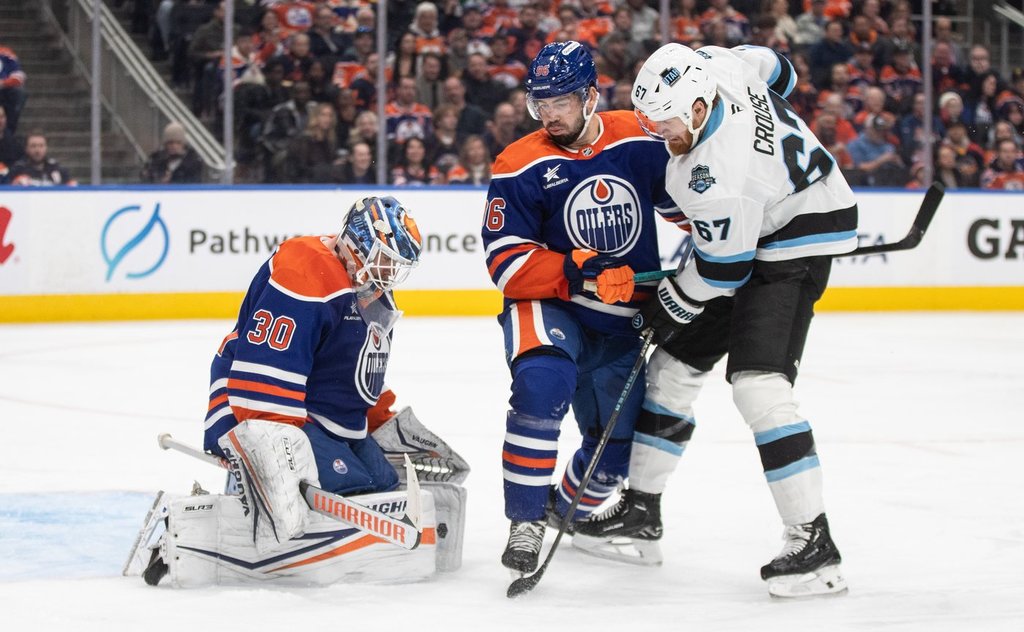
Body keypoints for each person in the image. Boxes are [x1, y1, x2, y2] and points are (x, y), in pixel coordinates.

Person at [574, 42, 854, 598]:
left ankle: (814, 541)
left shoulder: (711, 174)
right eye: (653, 123)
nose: (662, 137)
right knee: (672, 370)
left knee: (758, 386)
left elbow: (723, 271)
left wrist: (671, 300)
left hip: (795, 235)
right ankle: (642, 514)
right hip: (767, 209)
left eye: (671, 125)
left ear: (700, 107)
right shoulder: (718, 64)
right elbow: (782, 70)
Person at [140, 196, 422, 586]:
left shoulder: (371, 294)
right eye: (385, 258)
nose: (388, 272)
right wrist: (276, 452)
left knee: (383, 485)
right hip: (252, 409)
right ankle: (224, 517)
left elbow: (351, 371)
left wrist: (381, 418)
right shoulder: (307, 269)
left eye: (396, 266)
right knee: (346, 487)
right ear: (358, 241)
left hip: (320, 419)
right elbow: (265, 377)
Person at [481, 40, 680, 576]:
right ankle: (525, 520)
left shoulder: (640, 137)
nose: (549, 115)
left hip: (622, 318)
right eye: (540, 104)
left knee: (614, 451)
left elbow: (684, 206)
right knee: (541, 384)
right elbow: (504, 262)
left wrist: (719, 247)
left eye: (560, 102)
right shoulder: (519, 163)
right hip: (548, 304)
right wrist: (581, 267)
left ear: (591, 96)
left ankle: (562, 510)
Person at [9, 131, 77, 186]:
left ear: (46, 148)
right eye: (33, 146)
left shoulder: (56, 168)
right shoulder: (18, 169)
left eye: (41, 146)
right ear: (27, 149)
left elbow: (70, 187)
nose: (37, 150)